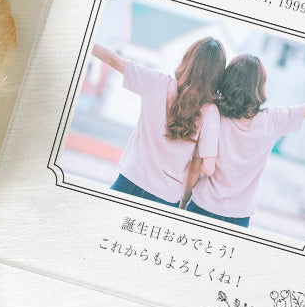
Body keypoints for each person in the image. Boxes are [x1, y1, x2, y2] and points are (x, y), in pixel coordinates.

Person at [187, 54, 305, 227]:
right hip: (238, 216)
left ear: (227, 80)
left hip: (203, 205)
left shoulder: (214, 114)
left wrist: (184, 200)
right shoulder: (272, 120)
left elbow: (196, 166)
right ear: (259, 87)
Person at [91, 37, 225, 207]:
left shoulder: (156, 82)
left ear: (187, 59)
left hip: (130, 181)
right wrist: (184, 201)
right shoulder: (210, 112)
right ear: (217, 75)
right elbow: (196, 167)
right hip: (165, 197)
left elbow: (113, 60)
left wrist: (84, 40)